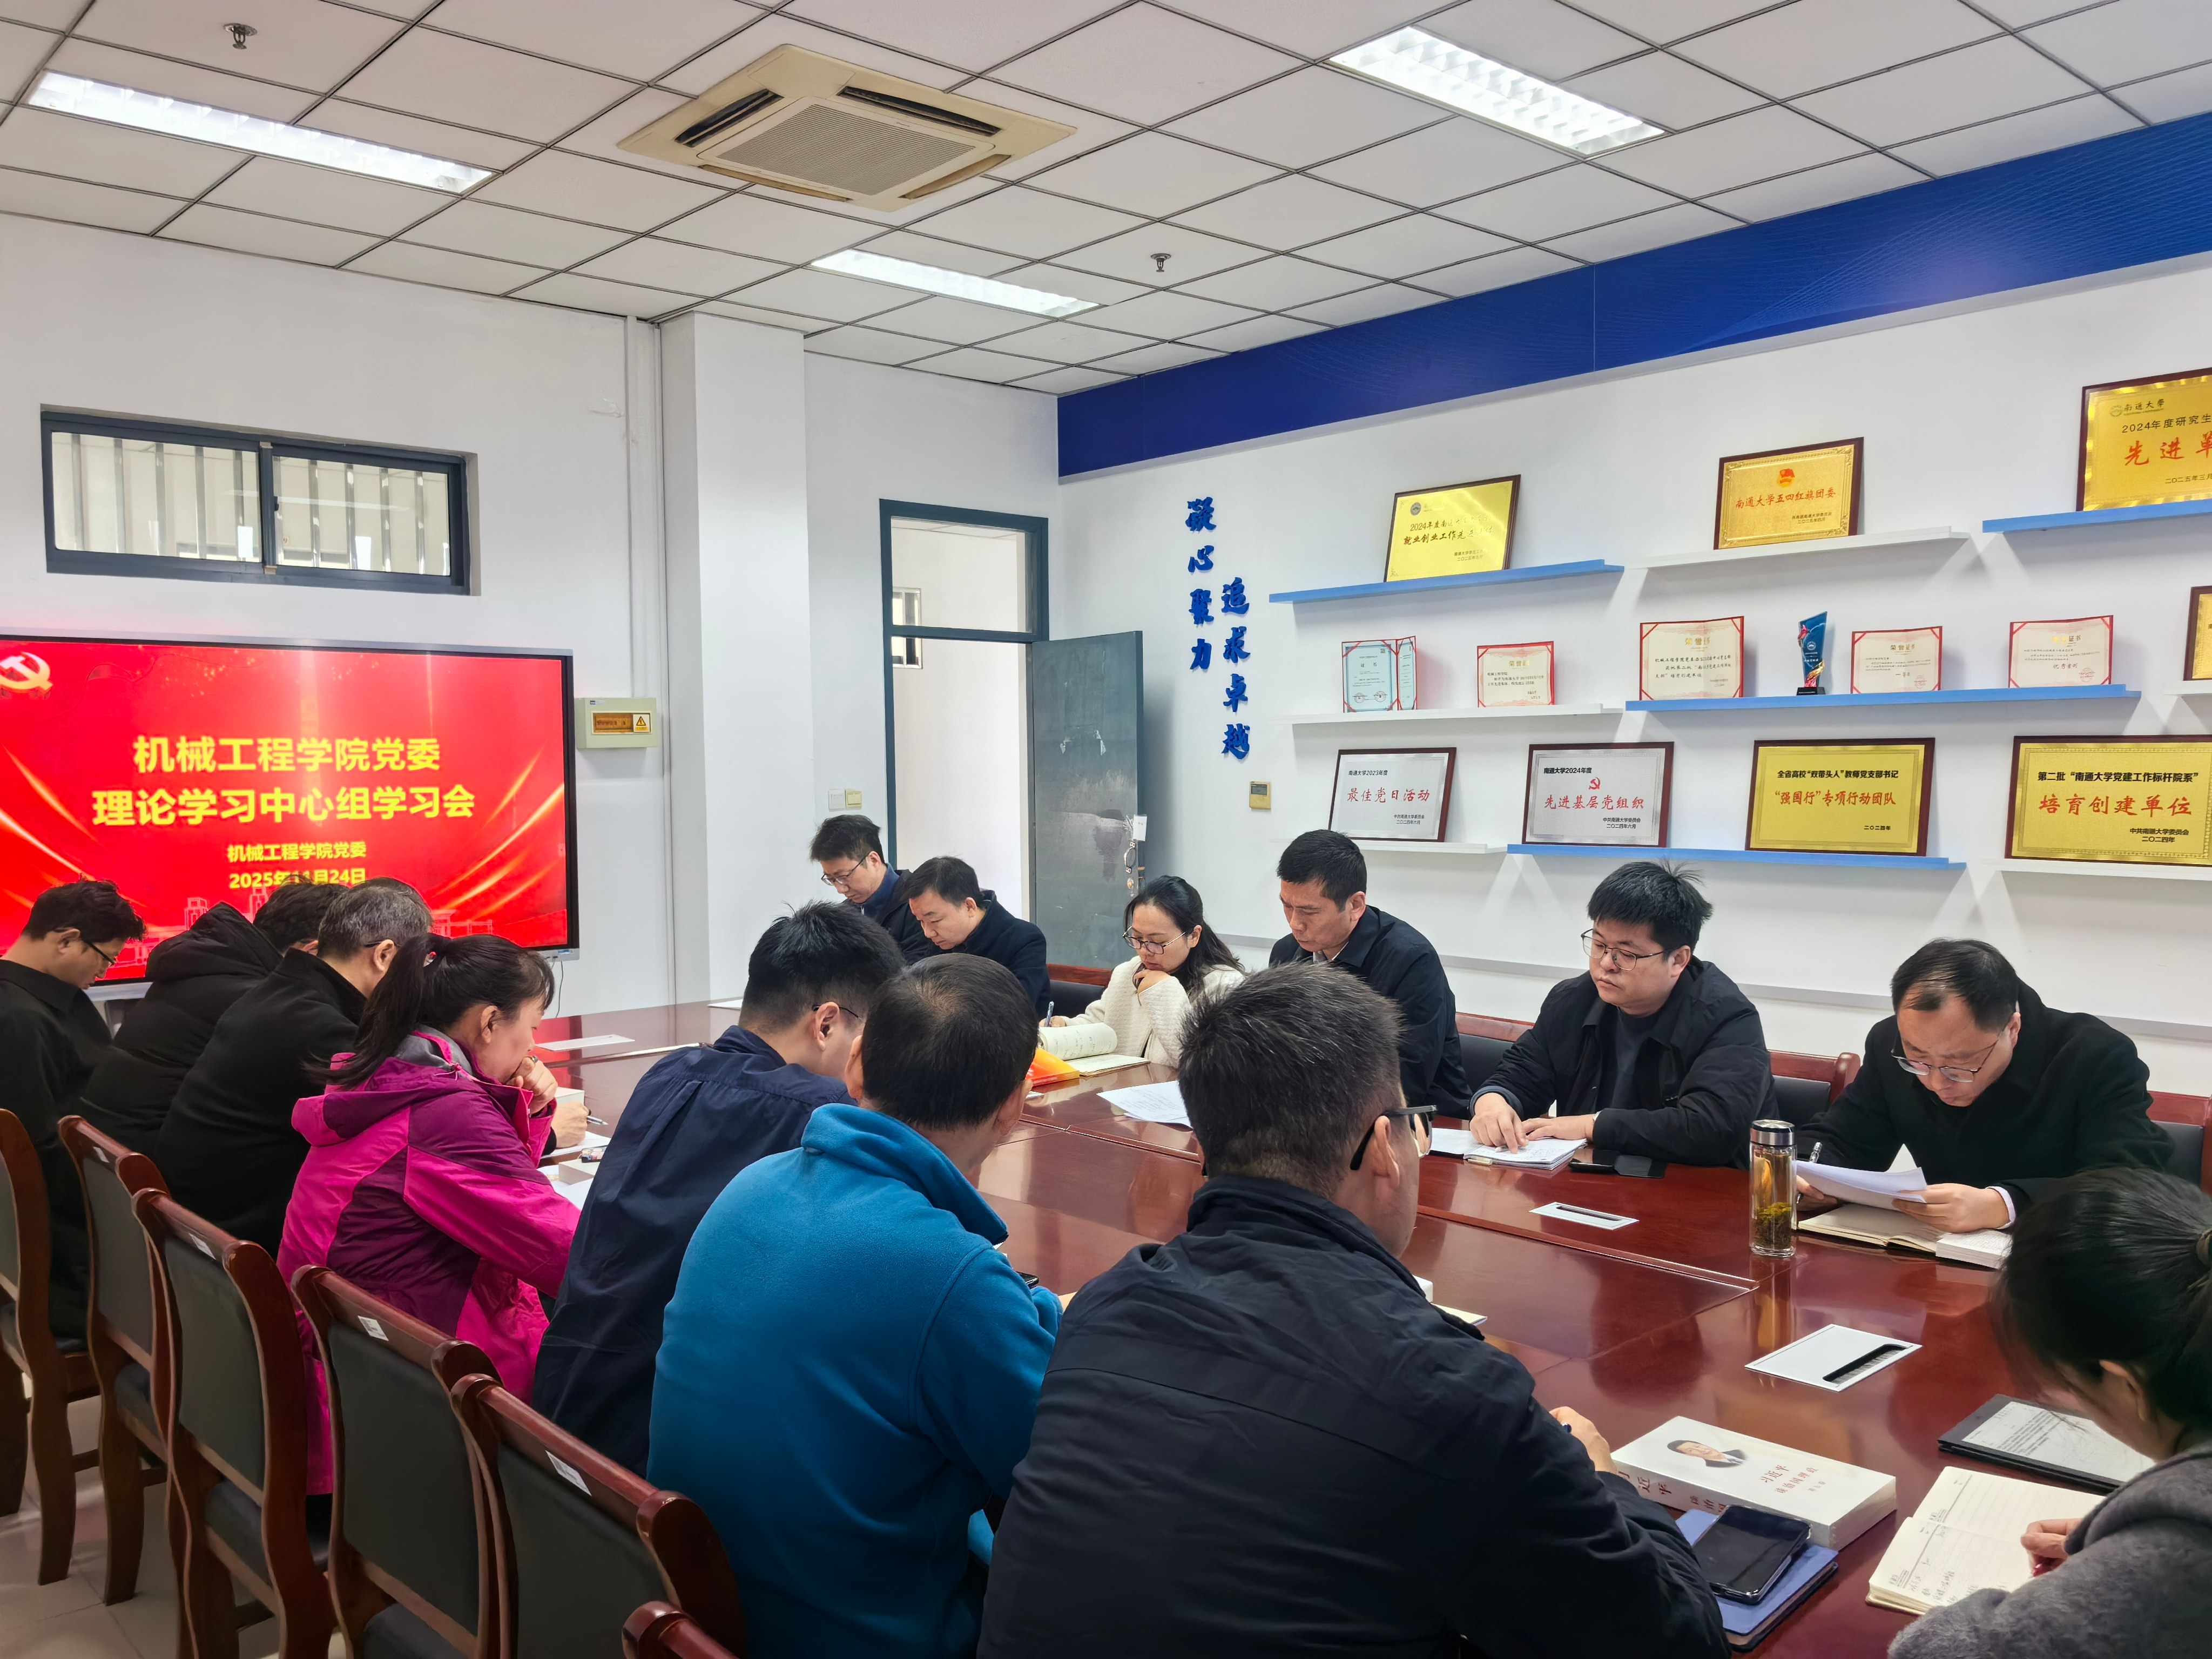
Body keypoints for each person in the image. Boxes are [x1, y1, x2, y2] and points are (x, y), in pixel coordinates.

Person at [977, 963, 1724, 1659]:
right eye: (1410, 1121)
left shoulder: (1105, 1306)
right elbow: (1676, 1641)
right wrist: (1606, 1483)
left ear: (1203, 1144)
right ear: (1385, 1148)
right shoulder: (1446, 1390)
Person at [650, 955, 1060, 1659]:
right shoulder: (952, 1278)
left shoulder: (752, 1186)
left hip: (698, 1617)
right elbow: (1053, 1469)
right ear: (1014, 1104)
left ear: (857, 1063)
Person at [537, 903, 906, 1472]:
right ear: (827, 1023)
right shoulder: (819, 1114)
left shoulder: (670, 1071)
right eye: (872, 1037)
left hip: (567, 1410)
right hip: (663, 1452)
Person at [279, 932, 582, 1488]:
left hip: (340, 1372)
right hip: (394, 1410)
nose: (532, 1048)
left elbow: (489, 1191)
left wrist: (531, 1110)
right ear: (489, 1023)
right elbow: (565, 1252)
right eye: (533, 1028)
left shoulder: (390, 1072)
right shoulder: (444, 1111)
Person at [1890, 1167, 2212, 1658]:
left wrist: (2137, 1561)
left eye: (2069, 1387)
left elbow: (1940, 1651)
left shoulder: (2183, 1551)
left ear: (2127, 1384)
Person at [1796, 940, 2168, 1235]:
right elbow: (1846, 1138)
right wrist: (1806, 1177)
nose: (1936, 1082)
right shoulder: (1887, 1043)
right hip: (1933, 1255)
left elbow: (2129, 1181)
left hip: (2053, 1262)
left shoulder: (2094, 1056)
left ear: (2013, 1029)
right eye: (1918, 1059)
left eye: (1960, 1065)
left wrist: (2004, 1204)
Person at [157, 879, 429, 1255]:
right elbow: (421, 1123)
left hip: (199, 1223)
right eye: (420, 965)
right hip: (243, 1243)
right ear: (384, 955)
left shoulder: (281, 993)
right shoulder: (321, 1029)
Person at [1471, 862, 1774, 1167]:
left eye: (1626, 954)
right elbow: (1523, 1073)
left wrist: (1590, 1126)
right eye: (1599, 944)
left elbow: (1711, 1128)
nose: (1606, 963)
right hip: (1587, 1180)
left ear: (1678, 960)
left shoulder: (1728, 1017)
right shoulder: (1573, 1000)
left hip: (1694, 1185)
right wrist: (1492, 1104)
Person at [77, 883, 340, 1154]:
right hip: (153, 1159)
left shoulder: (213, 966)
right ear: (312, 952)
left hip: (112, 1147)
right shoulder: (261, 999)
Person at [0, 880, 144, 1344]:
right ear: (66, 940)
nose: (104, 971)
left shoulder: (51, 997)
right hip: (68, 1233)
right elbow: (35, 1151)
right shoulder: (20, 1019)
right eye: (105, 959)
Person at [1267, 829, 1469, 1108]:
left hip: (1421, 1119)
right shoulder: (1286, 953)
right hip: (1313, 1113)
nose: (1295, 923)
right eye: (1287, 906)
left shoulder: (1411, 960)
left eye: (1309, 911)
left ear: (1355, 905)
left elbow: (1405, 1077)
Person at [1040, 875, 1243, 1065]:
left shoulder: (1225, 986)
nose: (1145, 951)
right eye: (1137, 938)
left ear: (1194, 936)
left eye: (1158, 942)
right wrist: (1064, 1028)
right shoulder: (1127, 972)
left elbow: (1200, 1062)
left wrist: (1163, 991)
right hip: (1121, 1087)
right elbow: (1100, 1025)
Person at [905, 854, 1051, 1019]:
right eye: (920, 921)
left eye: (934, 920)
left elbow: (1014, 1010)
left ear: (969, 906)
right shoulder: (940, 939)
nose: (928, 932)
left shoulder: (1024, 939)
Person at [811, 813, 932, 962]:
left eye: (844, 876)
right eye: (831, 879)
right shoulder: (844, 914)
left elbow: (917, 972)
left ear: (873, 860)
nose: (840, 890)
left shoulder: (918, 905)